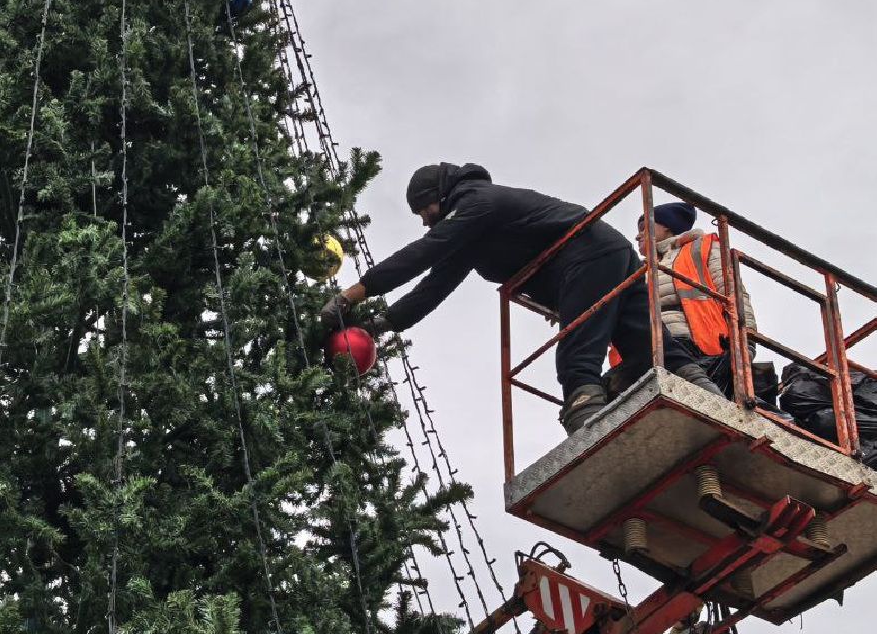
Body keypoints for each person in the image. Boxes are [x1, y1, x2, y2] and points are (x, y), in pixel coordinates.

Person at [320, 162, 721, 433]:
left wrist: (352, 294)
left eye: (423, 209)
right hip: (610, 255)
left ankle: (590, 430)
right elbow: (433, 287)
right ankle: (711, 401)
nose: (424, 220)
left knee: (577, 360)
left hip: (588, 257)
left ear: (439, 195)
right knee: (646, 348)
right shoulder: (472, 233)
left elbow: (423, 253)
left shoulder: (478, 203)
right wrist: (381, 325)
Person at [628, 201, 758, 398]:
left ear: (667, 226)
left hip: (694, 343)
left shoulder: (700, 248)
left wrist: (746, 340)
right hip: (647, 347)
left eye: (645, 227)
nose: (638, 235)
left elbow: (734, 293)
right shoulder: (640, 270)